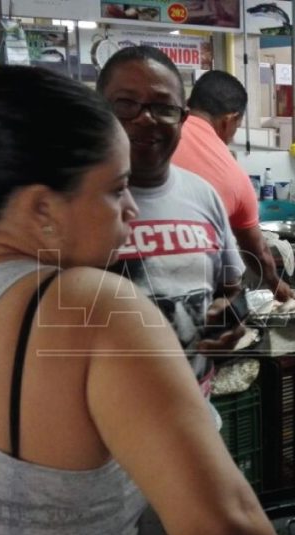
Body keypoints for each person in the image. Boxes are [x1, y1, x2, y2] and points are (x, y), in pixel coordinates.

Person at [0, 65, 286, 535]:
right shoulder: (93, 307)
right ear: (42, 208)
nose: (131, 209)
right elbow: (228, 534)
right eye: (116, 189)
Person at [96, 46, 246, 389]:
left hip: (196, 402)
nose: (146, 118)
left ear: (183, 118)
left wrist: (231, 317)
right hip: (104, 413)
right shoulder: (70, 204)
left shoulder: (203, 195)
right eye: (126, 104)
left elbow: (233, 290)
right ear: (99, 111)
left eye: (164, 108)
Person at [172, 70, 293, 302]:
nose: (232, 136)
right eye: (237, 127)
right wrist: (275, 283)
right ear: (229, 120)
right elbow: (258, 250)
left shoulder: (154, 133)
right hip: (193, 293)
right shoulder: (233, 175)